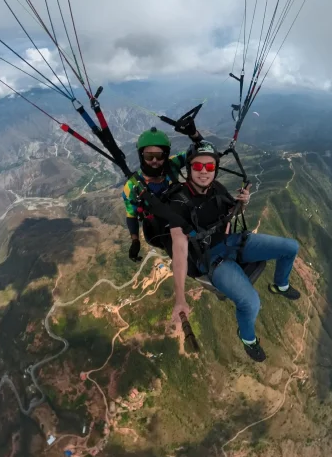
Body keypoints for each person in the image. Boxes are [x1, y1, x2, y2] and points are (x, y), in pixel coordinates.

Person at [165, 141, 300, 362]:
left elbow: (232, 212)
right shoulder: (178, 202)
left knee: (290, 248)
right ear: (188, 169)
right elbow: (179, 251)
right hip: (212, 259)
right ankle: (247, 338)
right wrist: (180, 298)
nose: (204, 172)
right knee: (251, 303)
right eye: (198, 167)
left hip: (234, 242)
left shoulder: (216, 187)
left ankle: (281, 285)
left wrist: (243, 202)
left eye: (209, 167)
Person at [122, 122, 202, 262]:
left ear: (165, 155)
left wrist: (195, 135)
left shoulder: (172, 165)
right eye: (149, 156)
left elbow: (200, 152)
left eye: (159, 155)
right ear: (141, 156)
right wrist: (135, 241)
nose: (154, 160)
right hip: (160, 232)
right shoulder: (132, 187)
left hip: (185, 220)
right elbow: (131, 215)